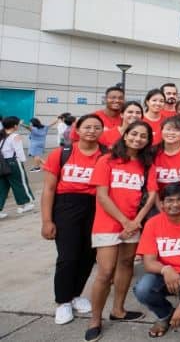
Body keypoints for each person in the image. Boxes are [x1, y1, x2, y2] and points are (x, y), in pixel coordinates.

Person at [85, 121, 158, 342]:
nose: (138, 138)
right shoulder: (106, 160)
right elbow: (102, 195)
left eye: (143, 136)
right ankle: (95, 320)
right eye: (134, 134)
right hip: (109, 223)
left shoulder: (147, 164)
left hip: (133, 223)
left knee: (126, 264)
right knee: (106, 271)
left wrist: (135, 221)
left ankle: (118, 310)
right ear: (125, 135)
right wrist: (125, 221)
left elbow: (152, 194)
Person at [40, 114, 105, 324]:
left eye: (96, 127)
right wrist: (47, 220)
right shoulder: (62, 153)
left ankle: (76, 295)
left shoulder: (107, 155)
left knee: (88, 255)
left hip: (96, 207)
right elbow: (49, 189)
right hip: (67, 206)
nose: (91, 131)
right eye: (87, 127)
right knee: (68, 256)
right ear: (77, 129)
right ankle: (63, 301)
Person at [133, 183, 180, 337]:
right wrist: (166, 269)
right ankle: (164, 314)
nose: (175, 204)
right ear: (161, 204)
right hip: (165, 274)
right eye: (169, 200)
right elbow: (148, 263)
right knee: (142, 289)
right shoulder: (152, 223)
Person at [153, 117, 180, 208]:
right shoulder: (153, 152)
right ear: (161, 131)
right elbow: (152, 187)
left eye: (176, 130)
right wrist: (160, 209)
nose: (171, 133)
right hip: (157, 202)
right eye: (168, 129)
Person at [0, 116, 36, 217]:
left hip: (1, 163)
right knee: (20, 183)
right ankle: (26, 204)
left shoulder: (1, 135)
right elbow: (19, 152)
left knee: (2, 187)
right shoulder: (15, 136)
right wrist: (22, 161)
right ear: (15, 126)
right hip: (13, 162)